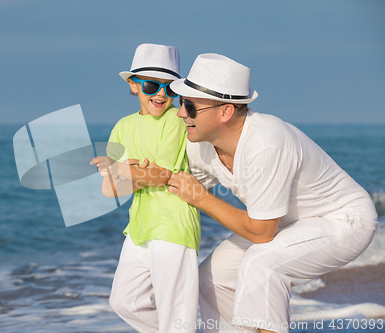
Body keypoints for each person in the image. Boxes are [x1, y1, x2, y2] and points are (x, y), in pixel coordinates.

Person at [165, 53, 377, 333]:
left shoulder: (267, 144)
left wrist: (202, 198)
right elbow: (183, 184)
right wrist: (130, 172)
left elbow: (261, 232)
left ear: (225, 112)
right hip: (285, 222)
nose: (181, 113)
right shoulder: (200, 142)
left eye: (190, 106)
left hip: (344, 220)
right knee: (211, 278)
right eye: (181, 103)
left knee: (262, 265)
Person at [90, 43, 201, 333]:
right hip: (139, 227)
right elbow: (109, 190)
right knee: (124, 302)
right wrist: (122, 174)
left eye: (170, 88)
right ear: (133, 85)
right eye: (152, 85)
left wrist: (121, 171)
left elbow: (160, 175)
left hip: (174, 223)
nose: (162, 94)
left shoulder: (177, 122)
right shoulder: (123, 127)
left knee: (175, 314)